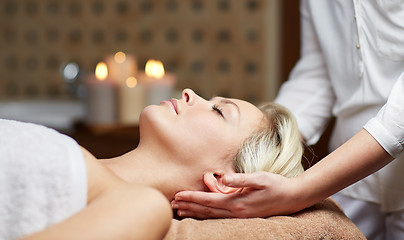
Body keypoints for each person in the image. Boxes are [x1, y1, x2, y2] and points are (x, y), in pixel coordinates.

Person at [172, 1, 404, 239]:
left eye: (218, 110)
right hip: (352, 179)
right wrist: (262, 147)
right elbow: (319, 72)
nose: (188, 93)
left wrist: (300, 190)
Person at [0, 88, 304, 240]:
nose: (189, 92)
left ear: (224, 181)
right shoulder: (77, 157)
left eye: (219, 111)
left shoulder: (143, 206)